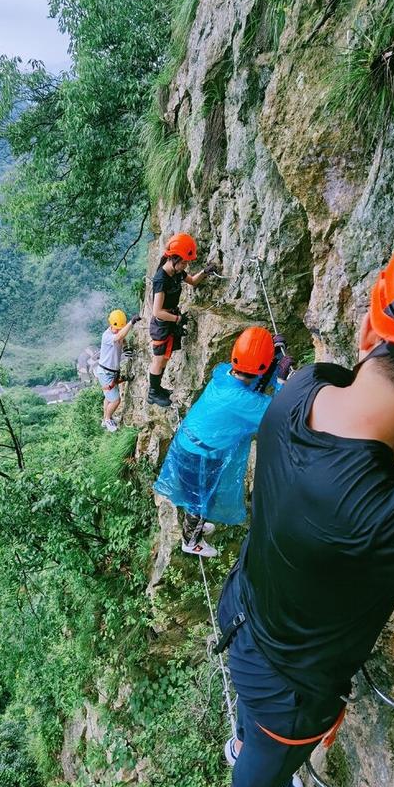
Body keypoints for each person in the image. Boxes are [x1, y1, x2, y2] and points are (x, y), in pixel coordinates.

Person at [217, 213, 394, 787]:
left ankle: (246, 746)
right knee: (269, 762)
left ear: (365, 332)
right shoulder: (390, 520)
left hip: (243, 605)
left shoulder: (303, 389)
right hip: (291, 691)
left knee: (251, 716)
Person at [153, 327, 293, 557]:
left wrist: (272, 357)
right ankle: (191, 540)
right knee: (199, 498)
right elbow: (277, 414)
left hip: (190, 443)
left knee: (198, 493)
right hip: (200, 456)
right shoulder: (241, 400)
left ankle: (195, 524)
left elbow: (252, 378)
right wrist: (280, 382)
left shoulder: (224, 374)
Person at [148, 233, 217, 408]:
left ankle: (158, 387)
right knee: (158, 359)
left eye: (187, 263)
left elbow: (193, 281)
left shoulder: (177, 272)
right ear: (173, 258)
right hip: (162, 324)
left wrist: (205, 272)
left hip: (171, 320)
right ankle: (153, 393)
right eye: (184, 262)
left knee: (164, 358)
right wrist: (177, 318)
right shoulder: (161, 279)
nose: (185, 265)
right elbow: (157, 312)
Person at [95, 309, 140, 431]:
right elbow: (119, 336)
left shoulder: (117, 333)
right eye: (118, 328)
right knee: (115, 400)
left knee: (108, 397)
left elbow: (122, 339)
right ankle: (108, 419)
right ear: (111, 325)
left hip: (109, 372)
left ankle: (105, 418)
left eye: (121, 328)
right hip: (105, 373)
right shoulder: (107, 336)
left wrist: (125, 348)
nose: (119, 330)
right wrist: (131, 323)